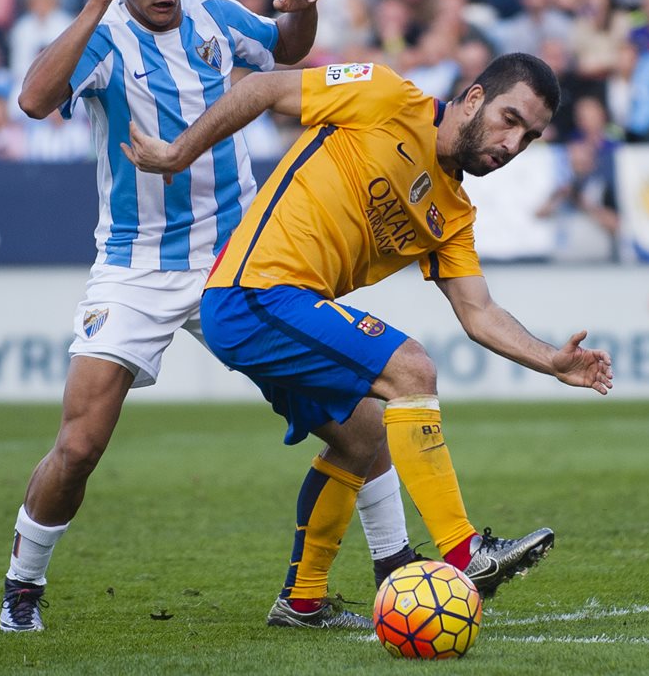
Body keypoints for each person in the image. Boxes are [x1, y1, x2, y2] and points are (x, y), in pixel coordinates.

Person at [0, 0, 417, 635]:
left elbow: (286, 51)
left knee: (358, 424)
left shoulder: (216, 17)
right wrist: (94, 3)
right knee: (81, 443)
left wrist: (302, 9)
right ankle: (22, 584)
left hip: (242, 261)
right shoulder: (102, 38)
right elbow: (34, 100)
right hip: (136, 268)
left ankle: (396, 580)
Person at [122, 53, 614, 627]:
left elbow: (478, 312)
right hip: (253, 291)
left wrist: (549, 360)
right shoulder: (385, 96)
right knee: (412, 369)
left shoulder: (452, 212)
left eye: (528, 137)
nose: (512, 143)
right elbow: (259, 88)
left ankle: (301, 602)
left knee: (363, 436)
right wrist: (180, 152)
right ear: (475, 98)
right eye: (510, 119)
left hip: (286, 310)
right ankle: (465, 553)